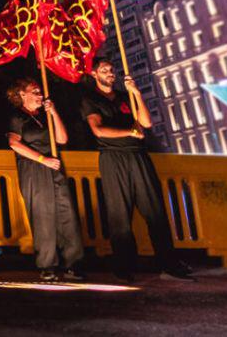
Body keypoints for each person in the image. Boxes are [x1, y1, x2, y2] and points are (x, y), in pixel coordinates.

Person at [79, 58, 193, 281]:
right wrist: (129, 133)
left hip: (138, 155)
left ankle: (169, 264)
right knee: (119, 214)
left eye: (112, 70)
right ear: (94, 74)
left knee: (155, 211)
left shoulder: (124, 96)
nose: (110, 73)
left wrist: (136, 93)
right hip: (113, 158)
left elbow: (146, 123)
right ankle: (124, 266)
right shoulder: (90, 99)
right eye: (104, 70)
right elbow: (98, 130)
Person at [5, 78, 84, 282]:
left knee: (66, 213)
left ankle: (73, 263)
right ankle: (47, 265)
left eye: (40, 91)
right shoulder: (17, 117)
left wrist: (54, 113)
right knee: (42, 216)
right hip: (34, 166)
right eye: (35, 91)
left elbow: (62, 139)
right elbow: (14, 143)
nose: (40, 94)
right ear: (22, 94)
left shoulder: (44, 115)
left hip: (54, 165)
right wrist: (42, 159)